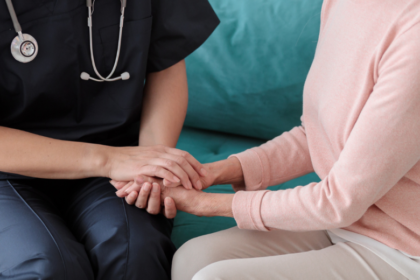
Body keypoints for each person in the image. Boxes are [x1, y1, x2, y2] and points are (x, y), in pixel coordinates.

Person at [117, 0, 420, 279]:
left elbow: (340, 201)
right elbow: (318, 134)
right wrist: (211, 174)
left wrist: (203, 203)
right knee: (192, 259)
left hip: (406, 249)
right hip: (348, 223)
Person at [0, 0, 219, 279]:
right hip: (9, 170)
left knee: (136, 253)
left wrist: (152, 163)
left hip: (117, 159)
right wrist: (107, 160)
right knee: (46, 268)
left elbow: (165, 67)